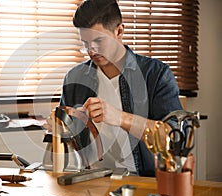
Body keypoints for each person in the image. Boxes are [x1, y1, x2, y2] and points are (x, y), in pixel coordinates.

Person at [45, 0, 183, 177]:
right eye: (85, 43)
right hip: (90, 181)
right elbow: (69, 144)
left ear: (119, 31)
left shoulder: (156, 74)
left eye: (98, 40)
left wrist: (119, 117)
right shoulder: (74, 78)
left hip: (144, 181)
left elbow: (174, 140)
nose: (91, 50)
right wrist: (59, 128)